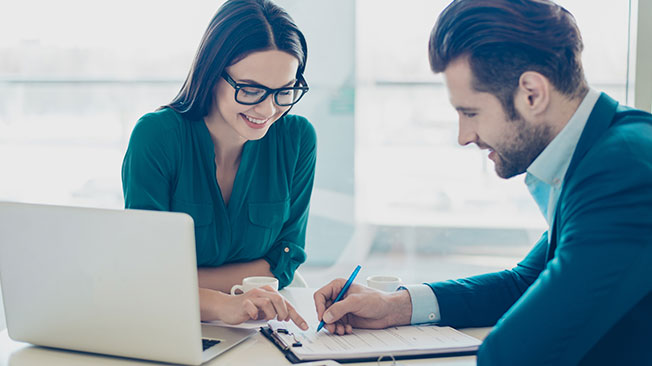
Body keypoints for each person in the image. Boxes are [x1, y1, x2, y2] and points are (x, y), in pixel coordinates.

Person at [314, 0, 652, 364]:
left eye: (470, 112)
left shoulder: (623, 168)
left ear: (532, 94)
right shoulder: (599, 150)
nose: (464, 135)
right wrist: (394, 306)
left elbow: (513, 354)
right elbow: (526, 282)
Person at [122, 0, 315, 329]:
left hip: (261, 323)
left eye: (285, 91)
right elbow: (147, 272)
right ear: (212, 74)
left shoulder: (297, 138)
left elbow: (285, 259)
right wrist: (224, 305)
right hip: (167, 323)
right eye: (251, 89)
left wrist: (189, 285)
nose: (268, 109)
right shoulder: (157, 136)